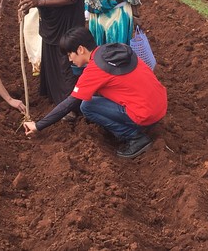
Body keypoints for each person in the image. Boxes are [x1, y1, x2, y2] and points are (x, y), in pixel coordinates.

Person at [23, 27, 167, 158]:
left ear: (80, 50)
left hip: (145, 115)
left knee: (87, 106)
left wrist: (38, 125)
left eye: (69, 54)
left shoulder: (95, 69)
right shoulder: (113, 50)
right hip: (160, 106)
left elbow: (70, 103)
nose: (69, 59)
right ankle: (139, 125)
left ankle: (135, 137)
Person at [18, 0, 85, 105]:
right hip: (48, 16)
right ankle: (55, 97)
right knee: (50, 51)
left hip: (68, 15)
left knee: (66, 57)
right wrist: (26, 1)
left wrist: (39, 2)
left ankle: (69, 103)